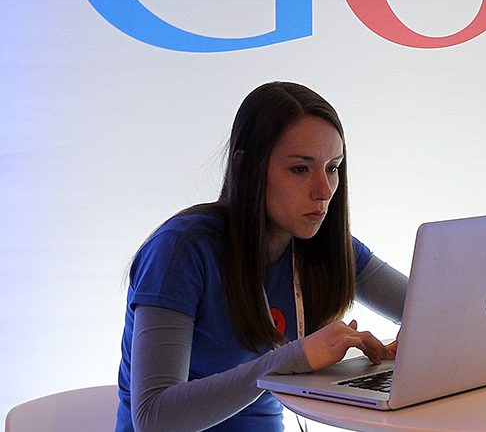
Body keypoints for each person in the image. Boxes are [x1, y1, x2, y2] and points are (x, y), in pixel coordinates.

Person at [115, 82, 409, 431]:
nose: (324, 190)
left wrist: (412, 351)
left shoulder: (325, 245)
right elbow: (155, 419)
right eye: (301, 169)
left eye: (332, 168)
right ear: (246, 166)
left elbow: (435, 313)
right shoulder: (181, 251)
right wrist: (288, 361)